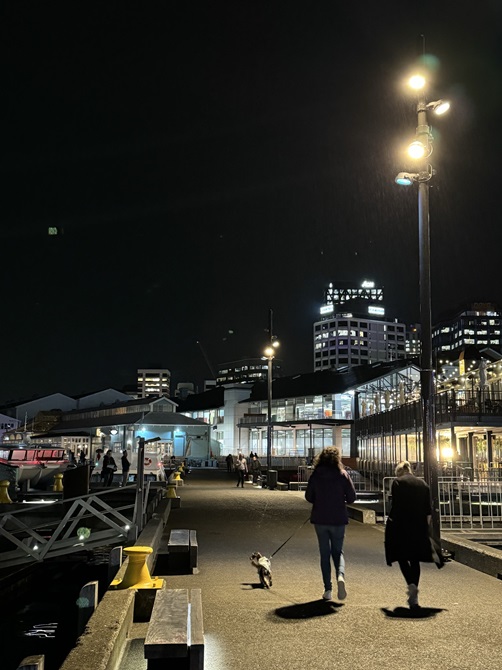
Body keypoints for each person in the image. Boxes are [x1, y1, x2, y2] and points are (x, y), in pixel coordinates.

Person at [385, 461, 444, 608]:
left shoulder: (397, 483)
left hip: (402, 524)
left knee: (401, 556)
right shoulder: (423, 484)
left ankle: (411, 586)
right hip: (418, 525)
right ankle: (414, 595)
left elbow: (396, 506)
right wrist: (426, 528)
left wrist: (390, 523)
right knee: (415, 559)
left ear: (399, 472)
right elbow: (428, 510)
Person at [305, 446, 356, 602]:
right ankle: (340, 576)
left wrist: (319, 500)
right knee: (338, 551)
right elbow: (352, 497)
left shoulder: (316, 475)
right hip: (338, 518)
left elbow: (308, 496)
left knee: (324, 554)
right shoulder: (342, 475)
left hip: (320, 518)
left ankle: (328, 589)